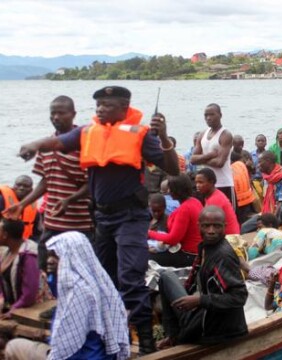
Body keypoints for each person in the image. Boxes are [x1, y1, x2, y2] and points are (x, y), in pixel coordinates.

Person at [18, 85, 180, 354]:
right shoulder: (86, 132)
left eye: (107, 106)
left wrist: (163, 137)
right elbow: (58, 142)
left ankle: (146, 341)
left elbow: (172, 169)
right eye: (98, 107)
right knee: (103, 278)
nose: (101, 110)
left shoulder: (139, 135)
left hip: (131, 216)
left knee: (130, 277)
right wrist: (34, 145)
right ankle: (112, 333)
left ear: (124, 108)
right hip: (102, 218)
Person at [5, 232, 130, 360]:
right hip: (90, 355)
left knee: (13, 347)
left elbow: (69, 346)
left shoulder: (79, 292)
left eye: (56, 256)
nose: (49, 261)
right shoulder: (97, 282)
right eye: (49, 256)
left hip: (82, 357)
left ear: (73, 257)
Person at [4, 96, 92, 271]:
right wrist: (22, 205)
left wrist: (70, 200)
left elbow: (93, 183)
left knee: (80, 269)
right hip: (52, 221)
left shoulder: (85, 145)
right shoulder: (45, 145)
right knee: (45, 266)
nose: (56, 117)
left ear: (73, 114)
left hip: (79, 222)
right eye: (53, 113)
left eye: (61, 113)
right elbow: (45, 181)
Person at [157, 206, 248, 348]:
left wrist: (199, 300)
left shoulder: (222, 256)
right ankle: (173, 335)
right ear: (199, 226)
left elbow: (239, 296)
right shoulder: (205, 247)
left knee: (166, 278)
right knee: (165, 276)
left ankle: (177, 337)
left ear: (225, 227)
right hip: (203, 316)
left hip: (214, 330)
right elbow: (192, 282)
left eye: (216, 226)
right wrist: (190, 297)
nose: (211, 231)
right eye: (206, 226)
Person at [148, 174, 203, 268]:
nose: (168, 192)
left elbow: (173, 239)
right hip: (195, 252)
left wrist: (149, 233)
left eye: (170, 189)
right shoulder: (194, 201)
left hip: (188, 255)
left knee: (147, 257)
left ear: (177, 190)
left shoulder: (184, 209)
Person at [241, 151, 282, 240]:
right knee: (244, 227)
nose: (258, 165)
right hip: (269, 212)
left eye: (260, 162)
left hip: (280, 213)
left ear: (268, 161)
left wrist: (268, 222)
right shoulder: (268, 178)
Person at [190, 103, 235, 205]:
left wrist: (201, 160)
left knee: (225, 218)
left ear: (220, 115)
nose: (208, 118)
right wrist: (209, 155)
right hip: (206, 185)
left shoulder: (225, 135)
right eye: (206, 115)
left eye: (212, 114)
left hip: (224, 183)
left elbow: (220, 163)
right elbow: (192, 159)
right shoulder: (202, 134)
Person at [0, 218, 39, 319]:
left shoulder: (29, 256)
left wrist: (13, 310)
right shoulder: (5, 253)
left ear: (5, 235)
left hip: (29, 312)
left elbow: (29, 295)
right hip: (12, 306)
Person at [195, 168, 240, 235]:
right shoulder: (211, 195)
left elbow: (211, 227)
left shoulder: (215, 200)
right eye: (196, 182)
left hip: (229, 238)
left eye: (201, 182)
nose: (197, 185)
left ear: (211, 182)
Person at [0, 175, 40, 241]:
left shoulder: (33, 207)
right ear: (13, 187)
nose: (21, 188)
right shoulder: (2, 200)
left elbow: (37, 231)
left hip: (24, 240)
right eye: (18, 185)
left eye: (26, 186)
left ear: (31, 190)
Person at [230, 151, 256, 224]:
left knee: (240, 220)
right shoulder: (241, 165)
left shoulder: (232, 168)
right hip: (248, 198)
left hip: (239, 199)